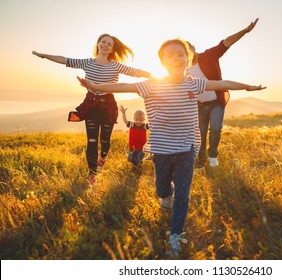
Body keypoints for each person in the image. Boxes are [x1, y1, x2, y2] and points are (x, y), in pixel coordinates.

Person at [77, 39, 266, 257]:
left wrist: (246, 86)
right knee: (162, 189)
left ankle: (176, 235)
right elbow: (121, 86)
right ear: (162, 62)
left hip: (187, 148)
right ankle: (166, 196)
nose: (177, 58)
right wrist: (95, 86)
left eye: (181, 54)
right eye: (171, 55)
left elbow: (222, 83)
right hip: (161, 150)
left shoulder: (194, 83)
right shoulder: (151, 85)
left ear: (188, 59)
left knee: (183, 196)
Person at [32, 34, 152, 186]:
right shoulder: (87, 63)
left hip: (108, 106)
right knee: (92, 141)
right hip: (91, 106)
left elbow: (135, 72)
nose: (106, 45)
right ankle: (92, 174)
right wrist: (43, 56)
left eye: (109, 44)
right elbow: (64, 60)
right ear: (98, 43)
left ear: (112, 49)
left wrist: (157, 77)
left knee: (105, 141)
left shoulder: (115, 66)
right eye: (104, 42)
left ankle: (103, 157)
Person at [186, 18, 259, 168]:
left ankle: (212, 155)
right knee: (199, 135)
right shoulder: (184, 70)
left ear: (192, 48)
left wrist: (245, 31)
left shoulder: (208, 56)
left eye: (187, 49)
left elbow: (226, 43)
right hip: (198, 106)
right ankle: (200, 162)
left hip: (216, 103)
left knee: (216, 129)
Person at [118, 105, 149, 171]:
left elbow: (152, 124)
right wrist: (123, 113)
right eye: (137, 119)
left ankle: (138, 168)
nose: (139, 121)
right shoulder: (132, 124)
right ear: (134, 119)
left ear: (144, 119)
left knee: (138, 159)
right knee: (130, 159)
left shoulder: (144, 126)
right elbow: (125, 121)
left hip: (142, 148)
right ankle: (137, 165)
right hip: (132, 147)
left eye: (141, 120)